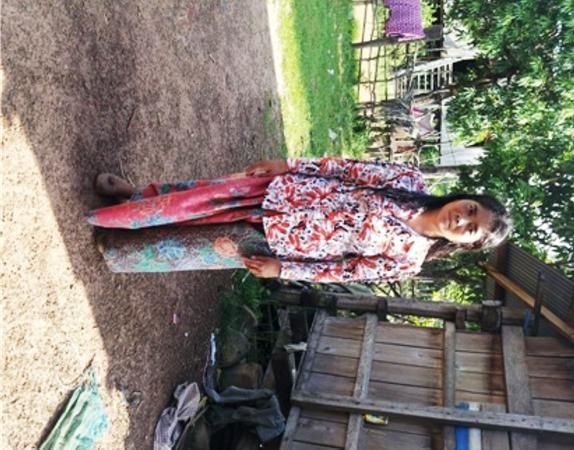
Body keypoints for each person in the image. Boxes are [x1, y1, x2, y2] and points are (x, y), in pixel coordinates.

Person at [87, 158, 511, 283]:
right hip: (281, 193)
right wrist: (288, 164)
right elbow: (345, 169)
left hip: (280, 242)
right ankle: (133, 198)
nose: (462, 219)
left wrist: (284, 268)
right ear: (466, 198)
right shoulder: (408, 180)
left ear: (467, 243)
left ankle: (120, 245)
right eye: (471, 209)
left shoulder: (408, 260)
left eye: (471, 229)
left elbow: (344, 271)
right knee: (194, 200)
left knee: (195, 245)